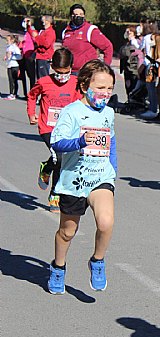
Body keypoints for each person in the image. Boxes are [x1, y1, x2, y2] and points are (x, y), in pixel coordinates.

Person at [47, 59, 118, 295]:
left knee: (106, 222)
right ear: (85, 85)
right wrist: (78, 142)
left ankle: (97, 261)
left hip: (100, 177)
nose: (105, 93)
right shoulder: (72, 112)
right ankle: (58, 267)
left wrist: (113, 168)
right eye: (100, 88)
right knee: (67, 231)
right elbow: (57, 142)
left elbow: (111, 141)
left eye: (109, 88)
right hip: (74, 180)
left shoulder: (108, 113)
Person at [28, 47, 82, 212]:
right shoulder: (44, 82)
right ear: (52, 67)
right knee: (58, 156)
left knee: (62, 160)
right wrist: (32, 114)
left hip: (67, 129)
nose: (62, 76)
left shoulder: (75, 83)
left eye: (65, 72)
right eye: (58, 72)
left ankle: (47, 168)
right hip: (47, 127)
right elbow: (32, 96)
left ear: (71, 68)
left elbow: (80, 104)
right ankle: (55, 196)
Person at [62, 4, 113, 74]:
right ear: (71, 16)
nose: (78, 16)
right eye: (76, 14)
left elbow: (108, 46)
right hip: (69, 72)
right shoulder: (66, 32)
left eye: (81, 14)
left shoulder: (90, 30)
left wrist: (106, 68)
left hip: (87, 72)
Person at [20, 16, 37, 92]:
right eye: (24, 21)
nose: (25, 23)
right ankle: (25, 93)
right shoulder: (26, 32)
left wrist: (33, 55)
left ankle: (32, 93)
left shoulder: (33, 31)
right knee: (23, 75)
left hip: (30, 56)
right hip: (24, 56)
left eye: (27, 21)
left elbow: (36, 42)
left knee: (31, 76)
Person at [4, 35, 22, 100]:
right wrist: (6, 57)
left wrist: (12, 56)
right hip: (9, 65)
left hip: (15, 65)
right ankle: (11, 93)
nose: (7, 42)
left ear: (12, 40)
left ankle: (15, 93)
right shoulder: (8, 47)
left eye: (8, 40)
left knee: (14, 80)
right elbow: (7, 55)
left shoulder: (15, 47)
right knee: (10, 80)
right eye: (6, 40)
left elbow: (20, 57)